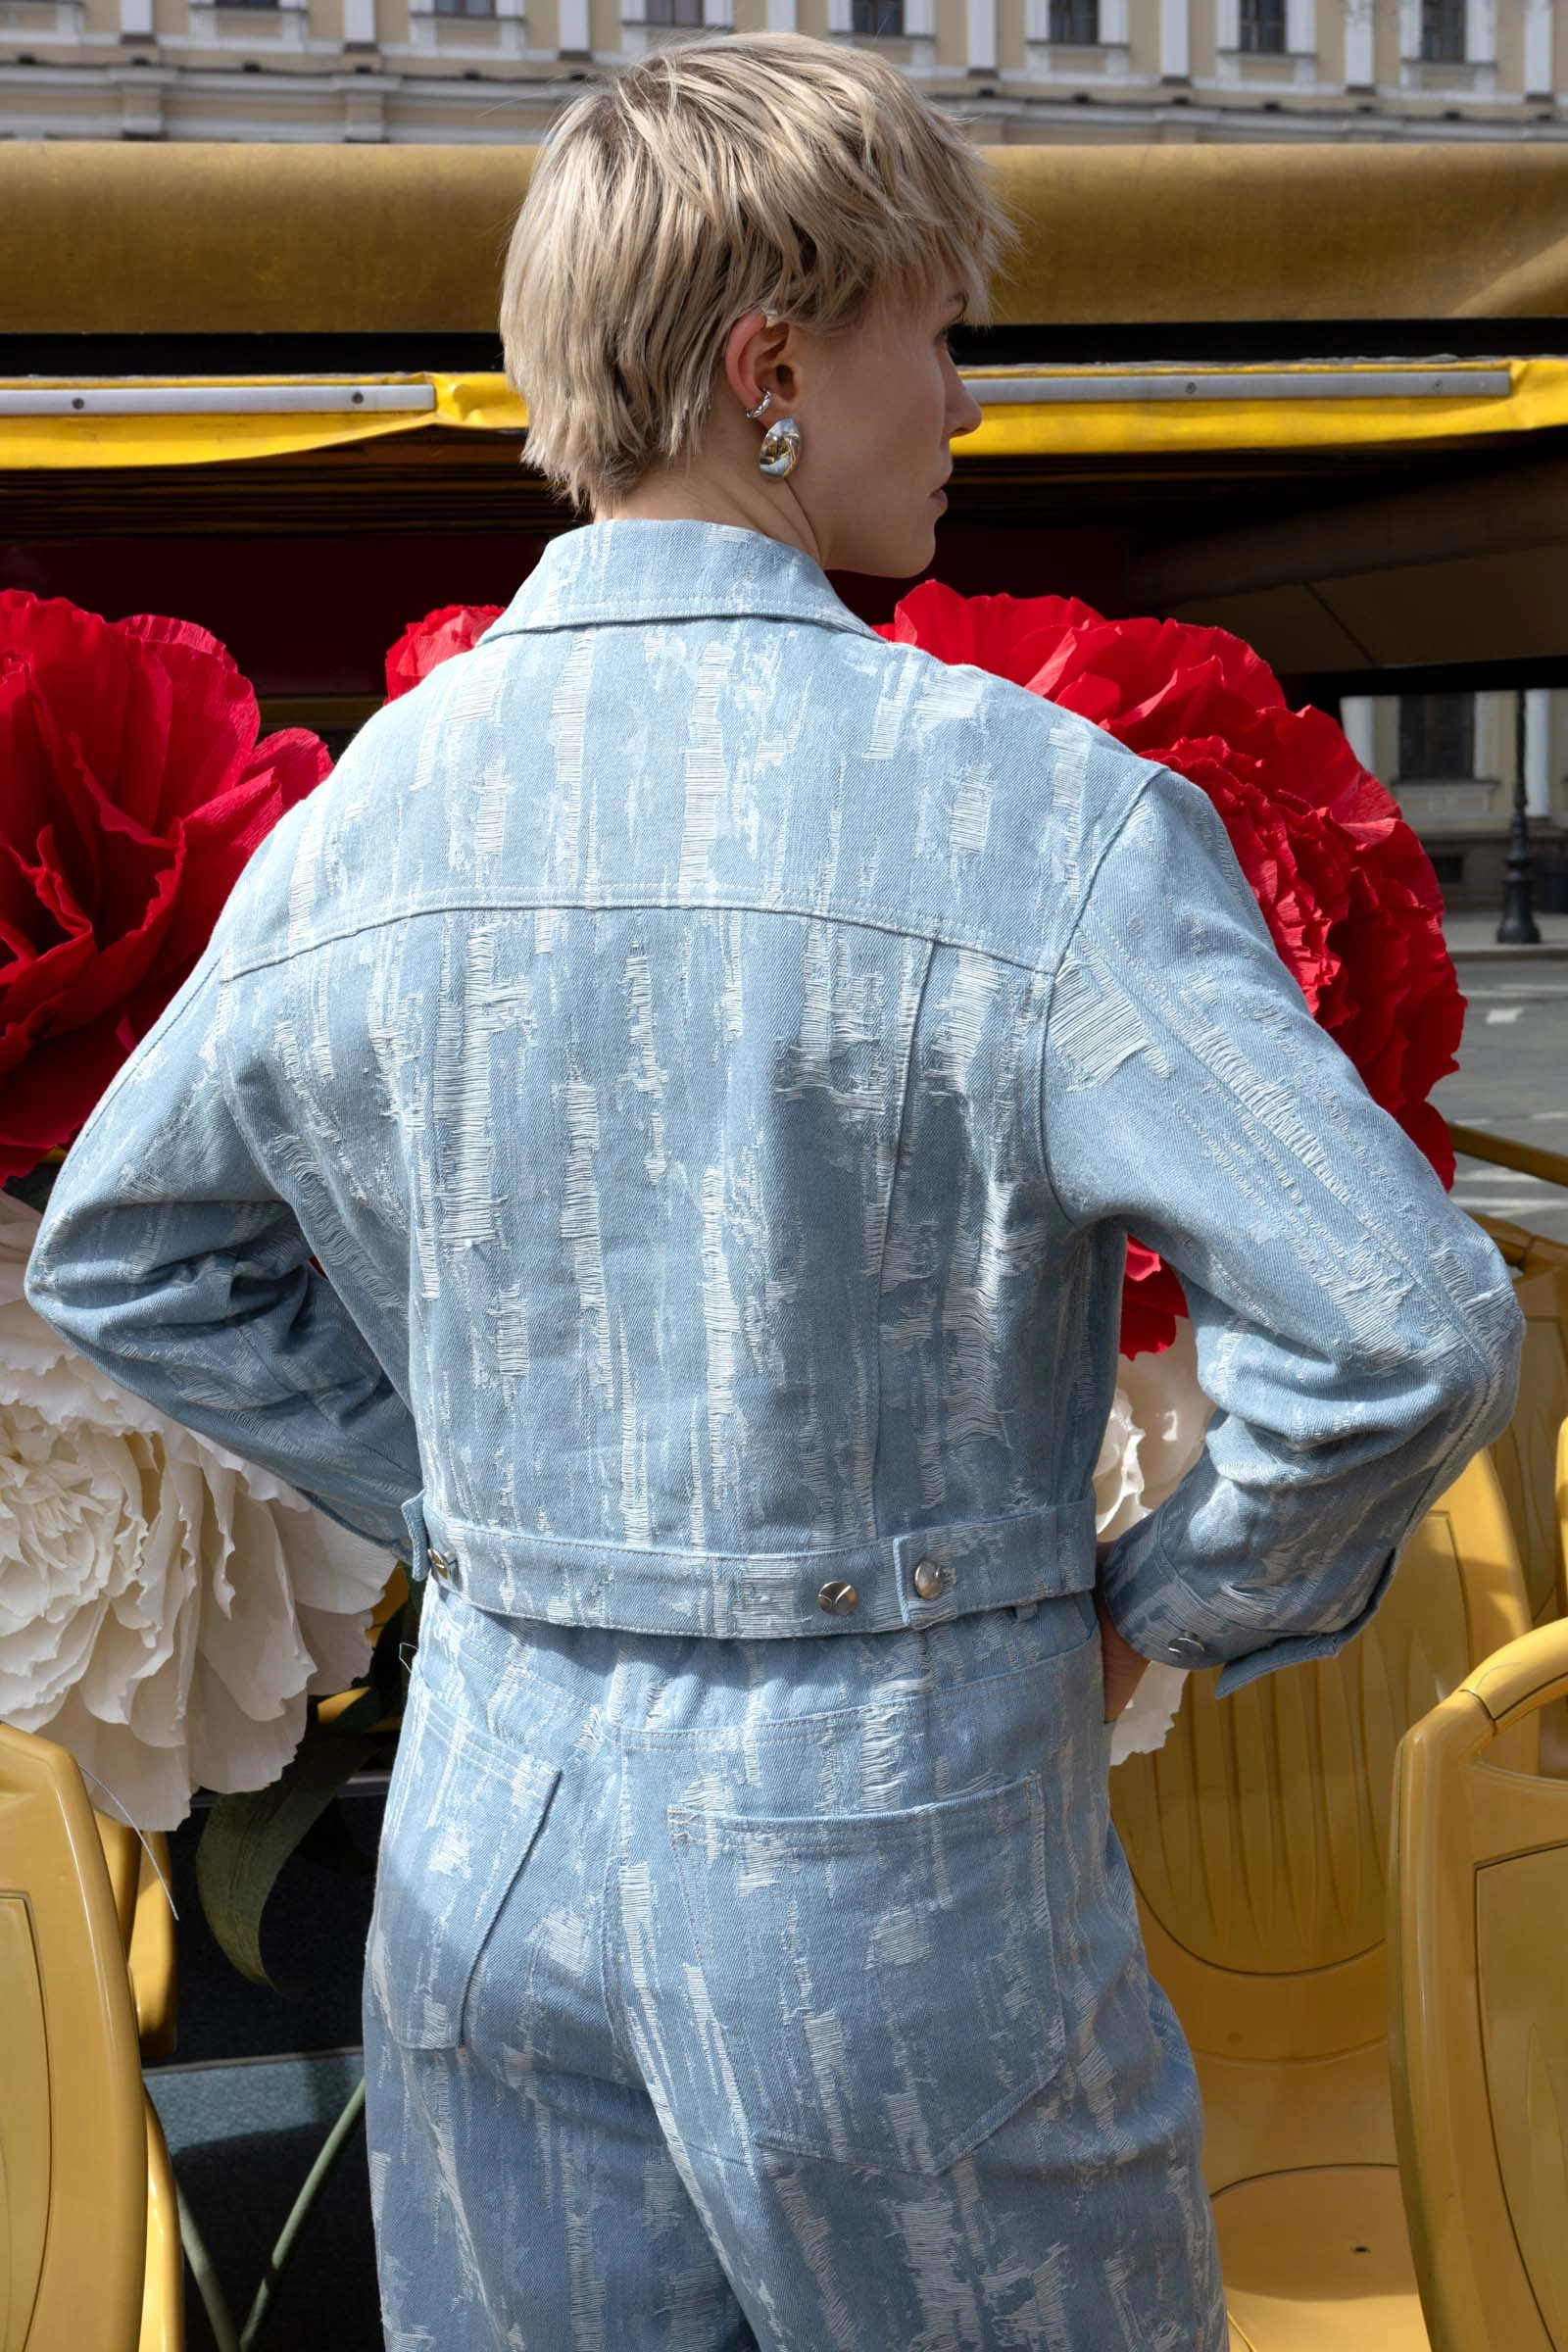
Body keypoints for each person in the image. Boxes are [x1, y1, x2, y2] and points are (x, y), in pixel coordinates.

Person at [25, 30, 1524, 2350]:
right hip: (895, 1841)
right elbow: (1401, 1327)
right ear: (772, 371)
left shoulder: (376, 813)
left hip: (488, 1830)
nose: (964, 401)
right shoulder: (1027, 811)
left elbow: (131, 1251)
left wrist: (462, 1504)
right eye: (937, 331)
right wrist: (1160, 1607)